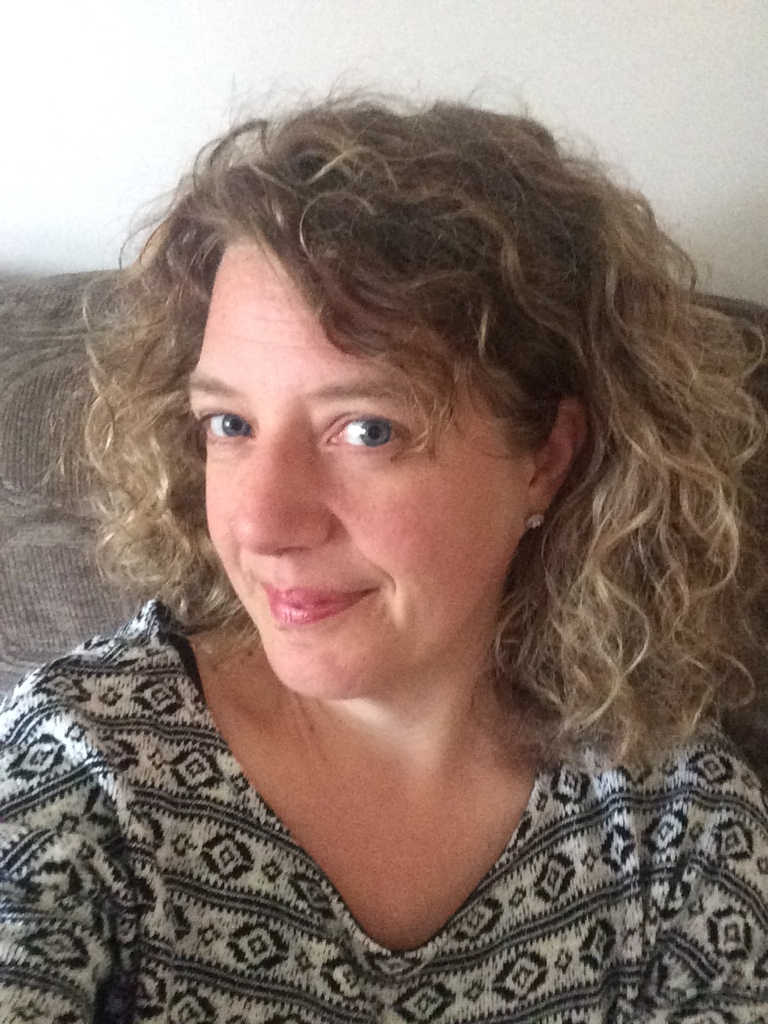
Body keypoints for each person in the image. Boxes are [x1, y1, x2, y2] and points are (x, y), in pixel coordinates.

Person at [1, 95, 767, 1024]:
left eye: (367, 429)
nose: (262, 524)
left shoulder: (673, 825)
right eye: (229, 424)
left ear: (546, 459)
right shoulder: (80, 770)